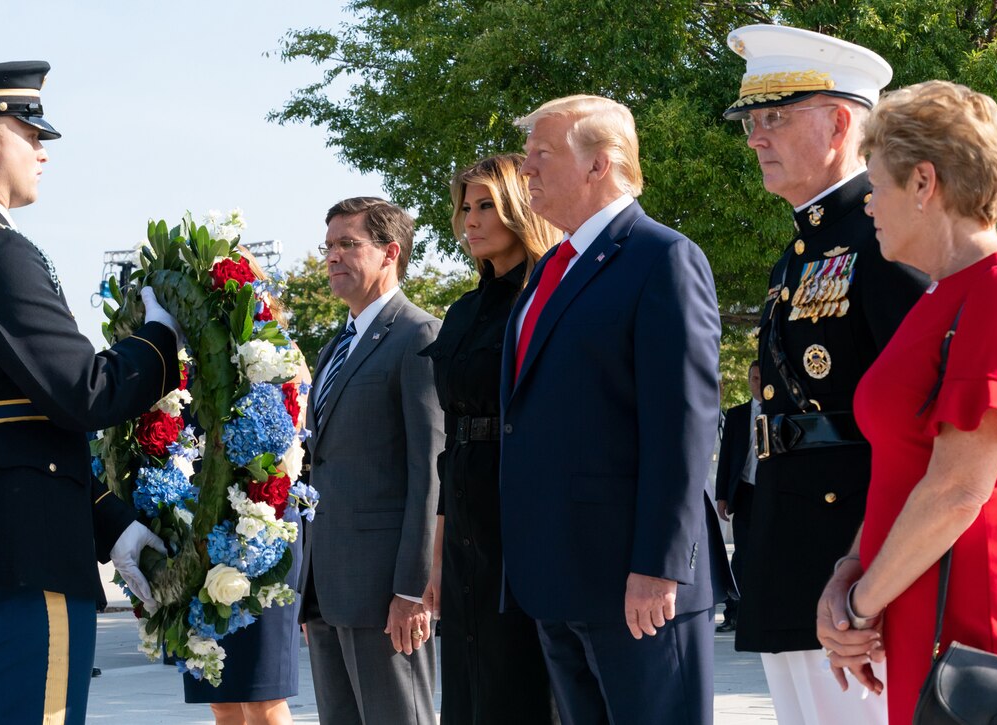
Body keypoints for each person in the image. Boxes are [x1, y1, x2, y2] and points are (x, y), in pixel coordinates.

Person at [0, 61, 179, 723]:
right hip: (24, 557)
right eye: (28, 132)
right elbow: (84, 392)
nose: (41, 150)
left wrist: (109, 520)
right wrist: (161, 337)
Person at [498, 94, 730, 725]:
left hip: (637, 585)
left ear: (599, 164)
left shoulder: (663, 257)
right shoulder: (553, 268)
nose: (527, 170)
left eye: (541, 155)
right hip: (558, 574)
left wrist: (658, 565)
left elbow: (684, 425)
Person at [722, 26, 929, 724]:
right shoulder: (799, 251)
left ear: (840, 121)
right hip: (791, 546)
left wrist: (871, 565)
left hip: (857, 567)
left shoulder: (885, 233)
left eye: (774, 117)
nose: (756, 137)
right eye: (752, 121)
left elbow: (921, 420)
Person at [817, 80, 997, 724]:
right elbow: (904, 466)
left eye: (876, 185)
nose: (869, 205)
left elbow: (959, 489)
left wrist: (858, 607)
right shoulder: (941, 295)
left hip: (974, 615)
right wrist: (851, 569)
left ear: (924, 183)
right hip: (921, 603)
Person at [419, 154, 559, 724]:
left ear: (519, 209)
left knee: (521, 680)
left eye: (485, 207)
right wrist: (436, 561)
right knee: (468, 687)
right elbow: (450, 441)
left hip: (523, 510)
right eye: (465, 207)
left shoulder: (547, 298)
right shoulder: (461, 312)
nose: (469, 221)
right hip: (465, 518)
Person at [299, 196, 444, 724]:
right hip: (326, 586)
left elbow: (428, 471)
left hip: (385, 591)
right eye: (329, 245)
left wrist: (411, 588)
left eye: (348, 244)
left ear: (390, 252)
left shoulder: (417, 335)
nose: (333, 256)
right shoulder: (336, 345)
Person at [184, 255, 310, 725]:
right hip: (206, 528)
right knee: (221, 697)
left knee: (261, 695)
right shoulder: (190, 359)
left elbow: (288, 449)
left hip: (265, 523)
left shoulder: (280, 356)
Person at [714, 360, 761, 633]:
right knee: (742, 555)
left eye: (762, 378)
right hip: (744, 492)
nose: (758, 383)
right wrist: (723, 496)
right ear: (748, 380)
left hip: (772, 492)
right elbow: (727, 460)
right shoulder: (737, 415)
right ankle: (735, 611)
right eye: (754, 378)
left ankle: (763, 609)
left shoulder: (782, 411)